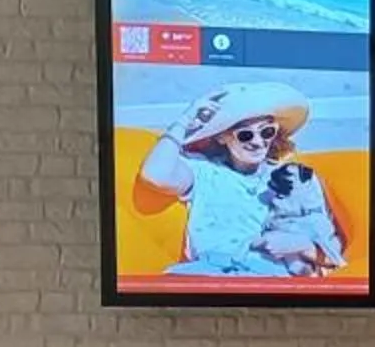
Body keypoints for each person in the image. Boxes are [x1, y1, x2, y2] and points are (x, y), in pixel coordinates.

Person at [134, 83, 341, 277]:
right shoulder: (204, 171)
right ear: (222, 137)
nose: (259, 142)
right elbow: (155, 176)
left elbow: (332, 258)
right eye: (245, 135)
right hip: (207, 277)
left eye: (267, 132)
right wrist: (184, 121)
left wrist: (302, 245)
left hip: (269, 281)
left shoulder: (295, 179)